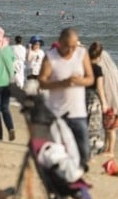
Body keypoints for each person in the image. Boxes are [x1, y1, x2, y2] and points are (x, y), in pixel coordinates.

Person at [38, 28, 95, 169]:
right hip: (57, 113)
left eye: (74, 46)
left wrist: (78, 81)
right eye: (67, 46)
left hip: (78, 113)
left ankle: (78, 178)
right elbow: (42, 82)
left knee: (84, 152)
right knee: (58, 153)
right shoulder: (51, 57)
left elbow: (90, 79)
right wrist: (62, 83)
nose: (71, 50)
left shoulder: (82, 54)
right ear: (60, 42)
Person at [87, 41, 118, 157]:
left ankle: (111, 150)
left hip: (109, 103)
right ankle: (106, 147)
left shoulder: (105, 72)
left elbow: (103, 87)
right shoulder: (110, 71)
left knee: (111, 128)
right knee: (107, 127)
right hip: (108, 102)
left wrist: (105, 102)